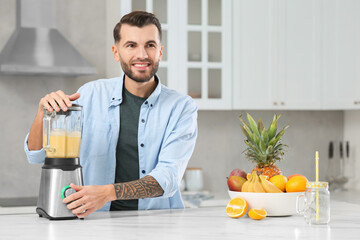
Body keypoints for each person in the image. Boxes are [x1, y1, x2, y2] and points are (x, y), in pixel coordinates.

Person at [24, 11, 198, 218]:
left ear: (160, 52)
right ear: (116, 53)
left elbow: (168, 177)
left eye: (150, 45)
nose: (142, 55)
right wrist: (42, 113)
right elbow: (36, 154)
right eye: (131, 45)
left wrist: (108, 193)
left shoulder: (181, 107)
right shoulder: (89, 95)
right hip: (95, 221)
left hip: (157, 222)